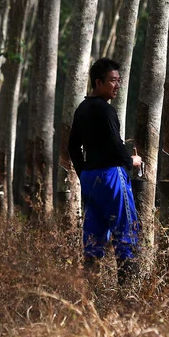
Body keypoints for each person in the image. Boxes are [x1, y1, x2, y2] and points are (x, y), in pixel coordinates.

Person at [67, 57, 142, 287]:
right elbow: (116, 146)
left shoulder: (82, 109)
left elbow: (72, 146)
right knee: (127, 233)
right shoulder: (105, 110)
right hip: (111, 177)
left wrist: (84, 173)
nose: (117, 85)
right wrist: (133, 161)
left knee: (93, 241)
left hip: (91, 179)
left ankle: (90, 296)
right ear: (98, 83)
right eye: (112, 81)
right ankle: (128, 296)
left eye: (119, 81)